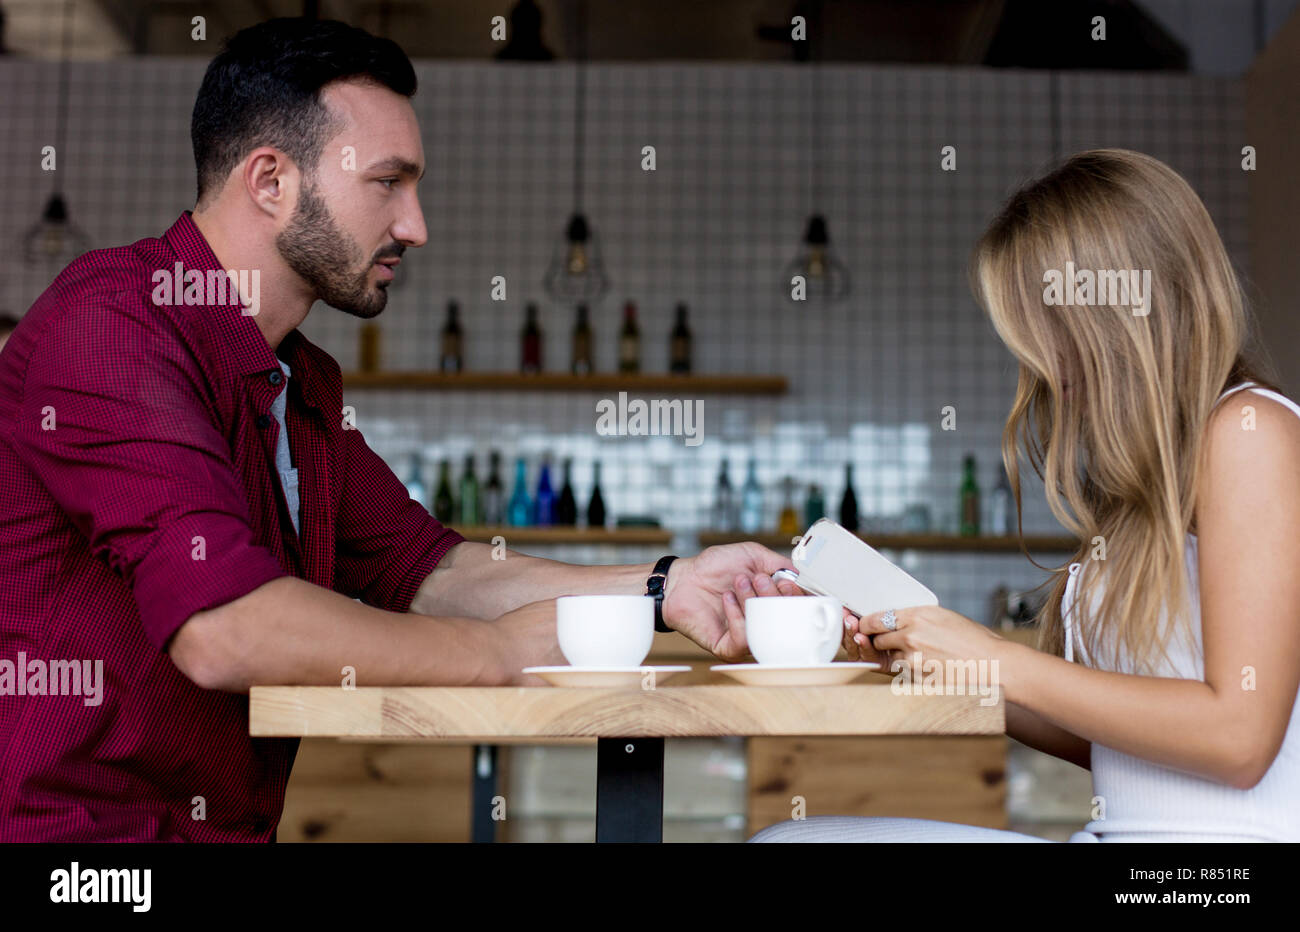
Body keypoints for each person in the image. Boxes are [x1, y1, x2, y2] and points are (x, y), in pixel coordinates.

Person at [0, 18, 796, 842]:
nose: (415, 226)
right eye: (388, 182)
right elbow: (222, 629)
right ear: (271, 180)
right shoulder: (113, 325)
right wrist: (494, 655)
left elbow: (431, 571)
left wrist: (668, 587)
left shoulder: (295, 382)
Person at [753, 149, 1300, 843]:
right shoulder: (1142, 484)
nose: (1034, 359)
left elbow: (1239, 738)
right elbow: (1114, 744)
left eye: (1047, 322)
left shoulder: (1250, 433)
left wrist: (1001, 658)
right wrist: (957, 662)